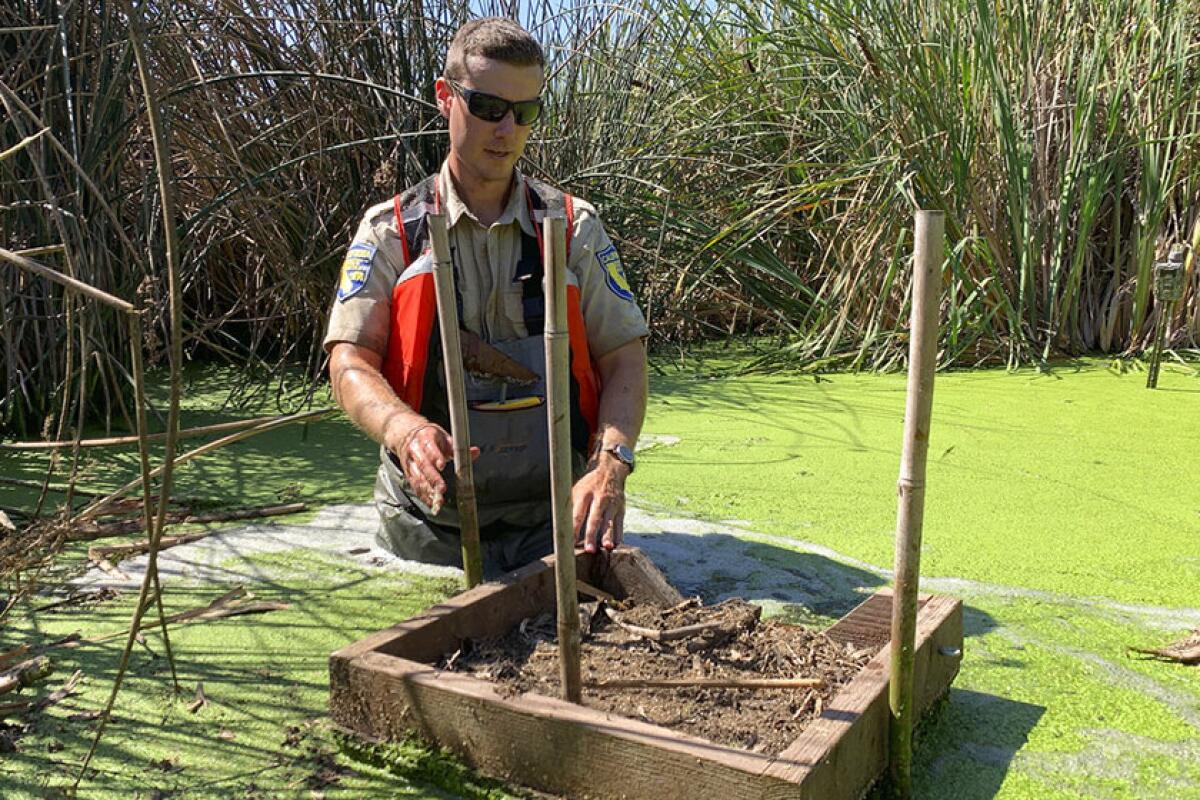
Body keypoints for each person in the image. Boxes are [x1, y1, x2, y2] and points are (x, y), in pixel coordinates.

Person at [324, 17, 648, 579]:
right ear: (445, 98)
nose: (507, 130)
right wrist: (406, 431)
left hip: (557, 525)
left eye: (525, 113)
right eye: (488, 107)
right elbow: (349, 362)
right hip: (424, 532)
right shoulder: (391, 231)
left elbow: (624, 357)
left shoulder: (574, 228)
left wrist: (611, 463)